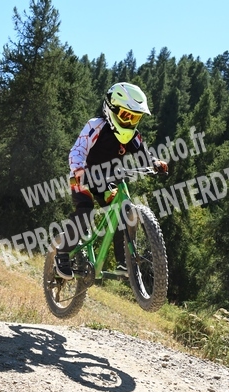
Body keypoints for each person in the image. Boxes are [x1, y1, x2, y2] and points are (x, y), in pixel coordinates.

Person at [55, 82, 168, 280]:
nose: (130, 122)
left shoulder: (132, 136)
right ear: (111, 109)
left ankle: (124, 262)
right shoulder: (96, 126)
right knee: (85, 212)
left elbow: (144, 155)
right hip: (83, 178)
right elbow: (78, 150)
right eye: (126, 115)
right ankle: (62, 253)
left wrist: (155, 163)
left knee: (122, 212)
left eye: (135, 117)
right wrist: (79, 170)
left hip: (106, 181)